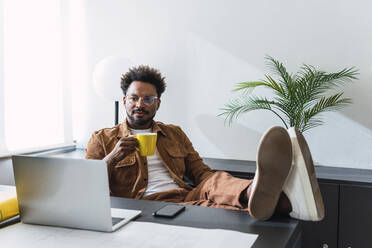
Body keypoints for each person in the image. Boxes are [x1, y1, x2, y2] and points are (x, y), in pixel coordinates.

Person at [86, 65, 324, 221]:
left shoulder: (174, 133)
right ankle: (290, 200)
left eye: (148, 99)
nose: (140, 104)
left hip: (187, 196)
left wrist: (216, 185)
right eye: (135, 98)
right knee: (263, 210)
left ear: (157, 104)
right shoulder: (103, 138)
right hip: (146, 204)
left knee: (214, 178)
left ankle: (254, 189)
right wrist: (113, 157)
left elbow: (200, 172)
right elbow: (85, 187)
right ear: (125, 100)